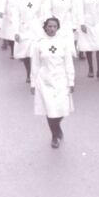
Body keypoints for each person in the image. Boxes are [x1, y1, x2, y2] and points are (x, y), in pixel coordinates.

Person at [31, 17, 75, 148]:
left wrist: (71, 81)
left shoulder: (63, 43)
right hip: (45, 81)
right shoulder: (39, 43)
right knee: (50, 109)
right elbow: (35, 65)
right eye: (49, 26)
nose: (51, 29)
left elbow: (68, 63)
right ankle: (55, 136)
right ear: (45, 27)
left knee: (61, 109)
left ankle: (57, 126)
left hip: (61, 80)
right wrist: (33, 83)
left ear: (58, 28)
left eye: (54, 26)